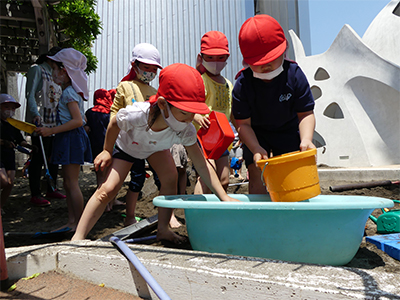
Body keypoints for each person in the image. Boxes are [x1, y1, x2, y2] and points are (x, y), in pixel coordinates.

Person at [71, 63, 239, 244]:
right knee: (107, 190)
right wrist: (106, 150)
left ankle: (163, 230)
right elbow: (114, 124)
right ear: (163, 105)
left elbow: (201, 163)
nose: (190, 119)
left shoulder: (185, 128)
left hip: (155, 148)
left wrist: (224, 197)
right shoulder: (137, 115)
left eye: (194, 113)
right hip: (128, 147)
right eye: (185, 113)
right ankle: (77, 237)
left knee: (170, 178)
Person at [232, 14, 316, 194]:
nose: (266, 66)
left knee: (292, 174)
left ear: (284, 49)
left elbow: (305, 113)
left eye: (272, 59)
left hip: (288, 128)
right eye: (260, 62)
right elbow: (243, 124)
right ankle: (261, 217)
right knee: (257, 172)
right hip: (256, 132)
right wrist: (254, 148)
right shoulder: (242, 84)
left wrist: (307, 139)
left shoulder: (294, 75)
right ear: (247, 60)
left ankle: (293, 215)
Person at [35, 48, 92, 232]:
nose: (52, 73)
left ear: (64, 70)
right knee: (67, 183)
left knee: (72, 182)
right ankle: (72, 221)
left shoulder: (68, 93)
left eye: (54, 68)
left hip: (71, 138)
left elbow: (77, 121)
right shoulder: (69, 91)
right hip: (68, 138)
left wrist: (51, 130)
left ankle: (80, 224)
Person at [110, 42, 163, 226]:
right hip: (128, 143)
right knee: (125, 181)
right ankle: (125, 214)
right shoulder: (125, 86)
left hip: (150, 143)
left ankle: (160, 216)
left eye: (153, 69)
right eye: (146, 67)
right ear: (135, 65)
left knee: (152, 179)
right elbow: (114, 113)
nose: (150, 72)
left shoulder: (156, 92)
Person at [25, 46, 66, 206]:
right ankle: (35, 193)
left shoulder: (55, 75)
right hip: (41, 121)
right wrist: (35, 114)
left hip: (54, 122)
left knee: (53, 157)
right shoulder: (37, 70)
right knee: (38, 158)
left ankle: (51, 187)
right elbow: (31, 94)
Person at [193, 31, 233, 194]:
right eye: (210, 57)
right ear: (201, 57)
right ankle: (196, 213)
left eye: (220, 58)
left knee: (224, 178)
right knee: (206, 177)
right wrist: (196, 116)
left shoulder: (228, 84)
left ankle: (213, 210)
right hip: (203, 136)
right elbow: (190, 105)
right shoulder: (200, 80)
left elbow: (233, 111)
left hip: (222, 138)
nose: (215, 62)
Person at [0, 94, 36, 211]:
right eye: (7, 107)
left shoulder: (13, 123)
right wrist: (3, 142)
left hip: (9, 155)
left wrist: (30, 146)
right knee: (3, 181)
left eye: (12, 108)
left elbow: (20, 140)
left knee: (10, 183)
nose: (10, 111)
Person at [84, 89, 113, 190]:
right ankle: (110, 202)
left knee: (99, 173)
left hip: (95, 145)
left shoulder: (89, 112)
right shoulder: (111, 113)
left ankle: (100, 192)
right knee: (109, 173)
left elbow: (86, 129)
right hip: (109, 146)